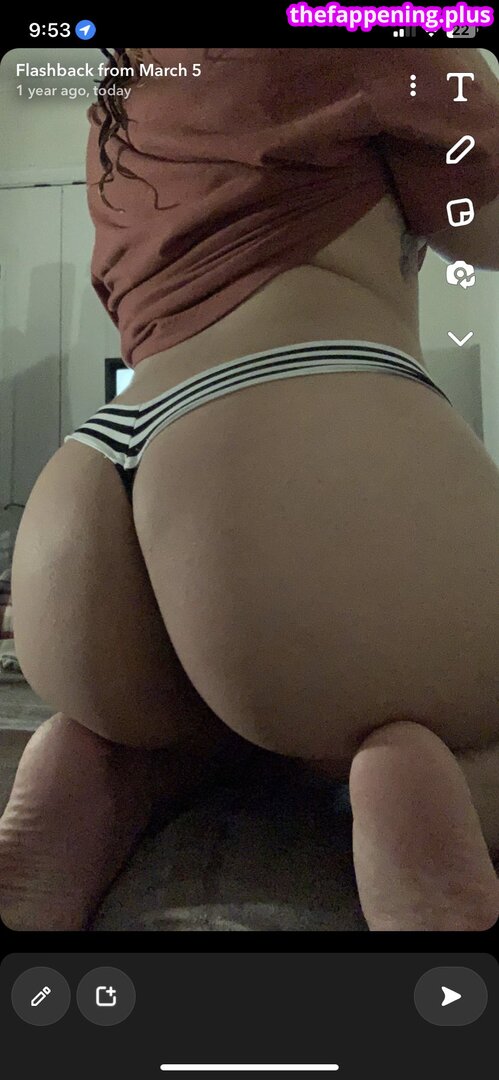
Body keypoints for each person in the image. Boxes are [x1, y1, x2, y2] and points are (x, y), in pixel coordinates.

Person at [1, 47, 499, 932]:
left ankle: (102, 772)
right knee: (394, 708)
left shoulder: (122, 91)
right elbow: (483, 223)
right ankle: (436, 795)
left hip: (93, 482)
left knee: (228, 712)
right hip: (287, 417)